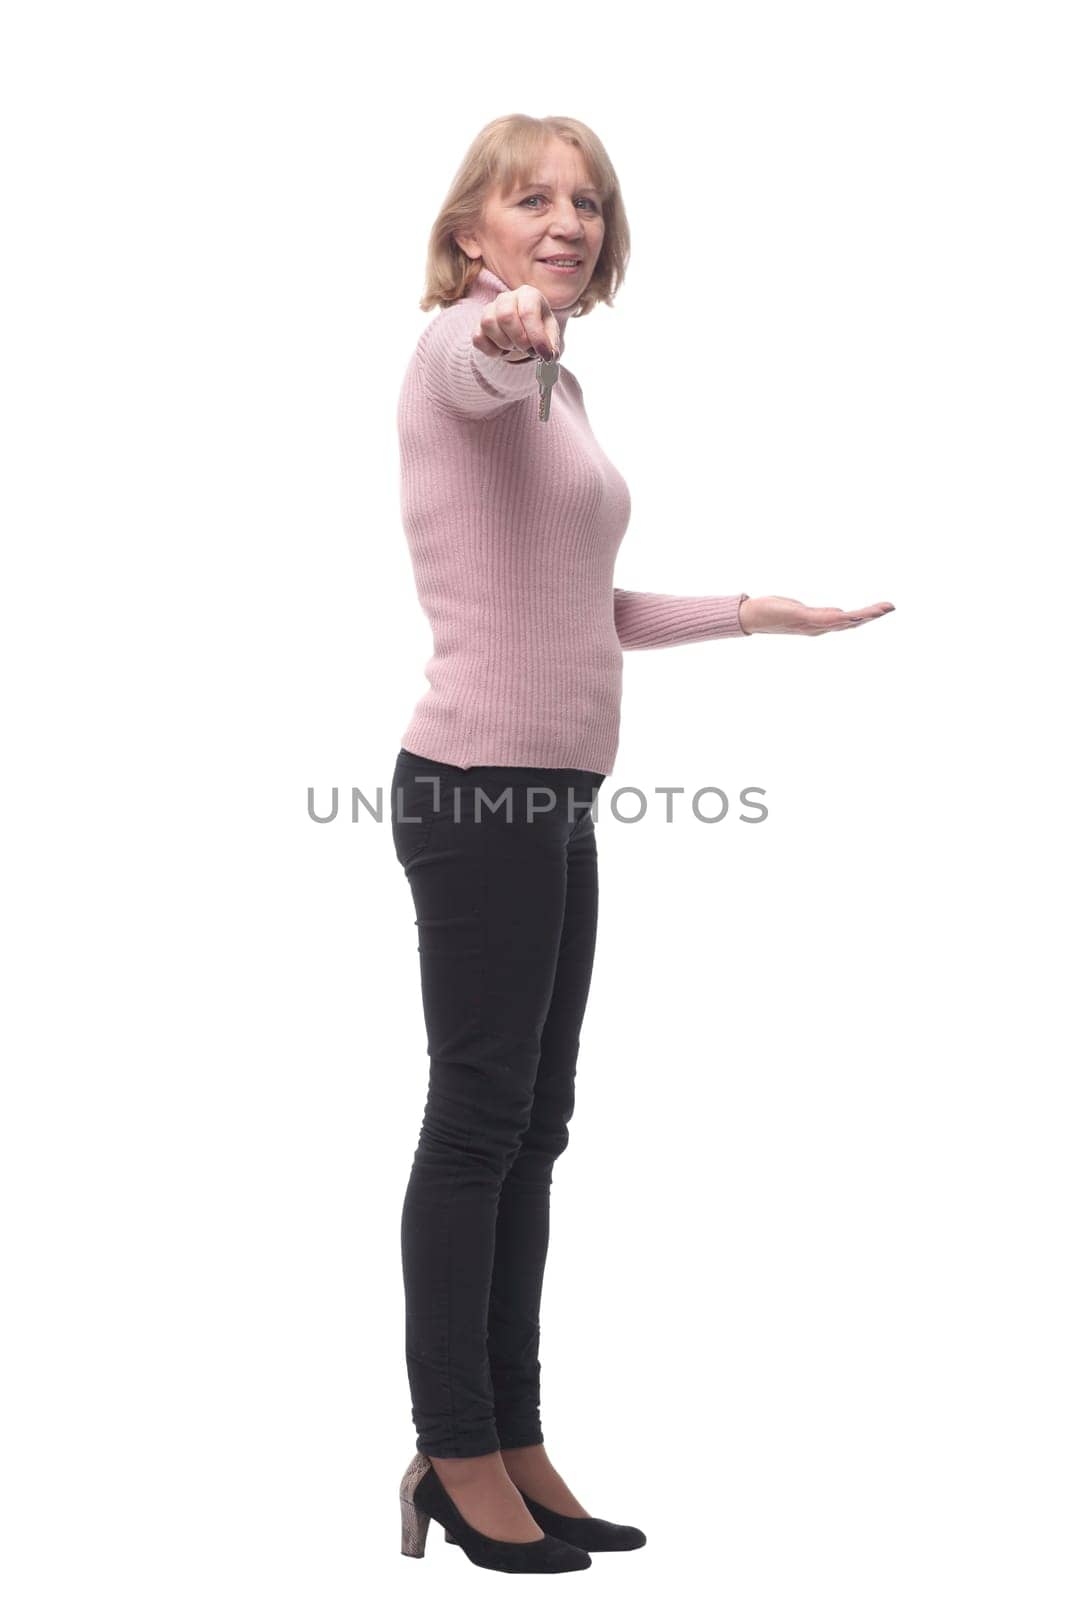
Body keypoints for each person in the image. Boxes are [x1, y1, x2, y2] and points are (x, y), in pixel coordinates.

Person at [392, 113, 894, 1574]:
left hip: (553, 793)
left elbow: (579, 610)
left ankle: (516, 1433)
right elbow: (472, 360)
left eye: (590, 204)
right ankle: (450, 1446)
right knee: (476, 1124)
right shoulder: (462, 355)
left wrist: (752, 613)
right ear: (472, 229)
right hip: (474, 790)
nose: (568, 222)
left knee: (535, 1128)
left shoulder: (565, 388)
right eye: (532, 200)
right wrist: (514, 325)